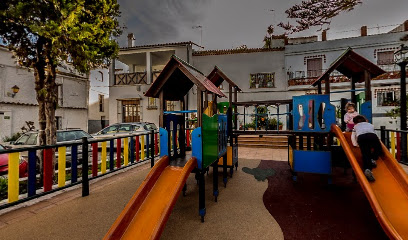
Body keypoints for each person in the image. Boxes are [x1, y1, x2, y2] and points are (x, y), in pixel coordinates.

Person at [351, 115, 382, 182]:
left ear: (355, 123)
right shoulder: (370, 125)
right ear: (365, 120)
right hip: (372, 136)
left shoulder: (355, 127)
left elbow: (353, 136)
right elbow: (375, 133)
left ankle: (367, 169)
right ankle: (373, 158)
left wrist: (355, 144)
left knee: (365, 154)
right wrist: (379, 140)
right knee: (378, 149)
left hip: (361, 138)